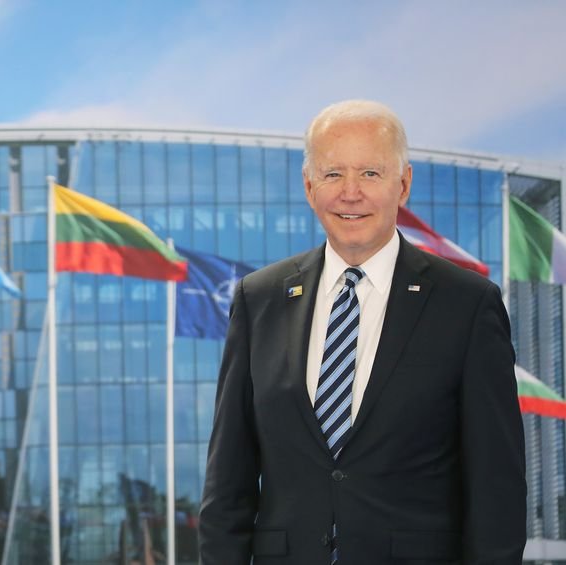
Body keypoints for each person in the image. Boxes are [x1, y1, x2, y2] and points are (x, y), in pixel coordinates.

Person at [198, 100, 526, 564]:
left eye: (370, 173)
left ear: (403, 184)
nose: (350, 193)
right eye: (333, 174)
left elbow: (497, 487)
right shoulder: (259, 299)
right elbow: (227, 481)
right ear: (309, 186)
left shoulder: (467, 304)